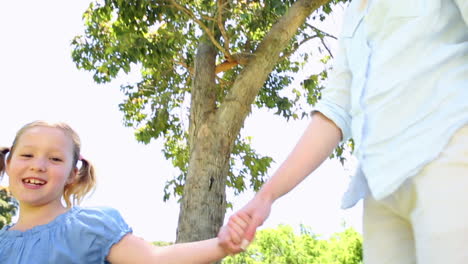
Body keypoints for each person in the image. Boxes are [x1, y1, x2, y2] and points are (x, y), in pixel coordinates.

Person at [219, 0, 468, 263]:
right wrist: (265, 198)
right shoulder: (355, 12)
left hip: (447, 158)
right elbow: (335, 110)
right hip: (381, 189)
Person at [0, 120, 250, 263]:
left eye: (55, 159)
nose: (38, 165)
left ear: (72, 175)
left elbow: (154, 259)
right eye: (27, 155)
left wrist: (222, 244)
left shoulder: (88, 228)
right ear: (9, 164)